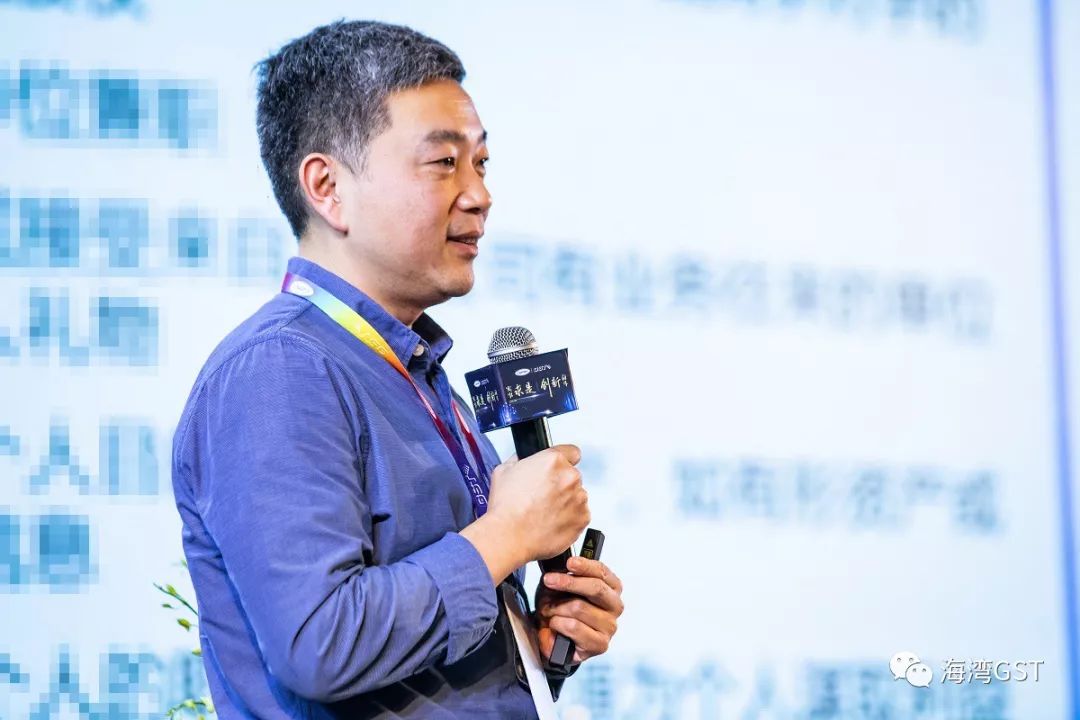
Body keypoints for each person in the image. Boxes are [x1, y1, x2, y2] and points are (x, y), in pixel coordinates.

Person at [170, 19, 624, 719]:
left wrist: (531, 643)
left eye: (481, 164)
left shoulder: (417, 372)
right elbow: (320, 642)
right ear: (327, 187)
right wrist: (506, 535)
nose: (479, 194)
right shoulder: (279, 370)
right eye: (443, 163)